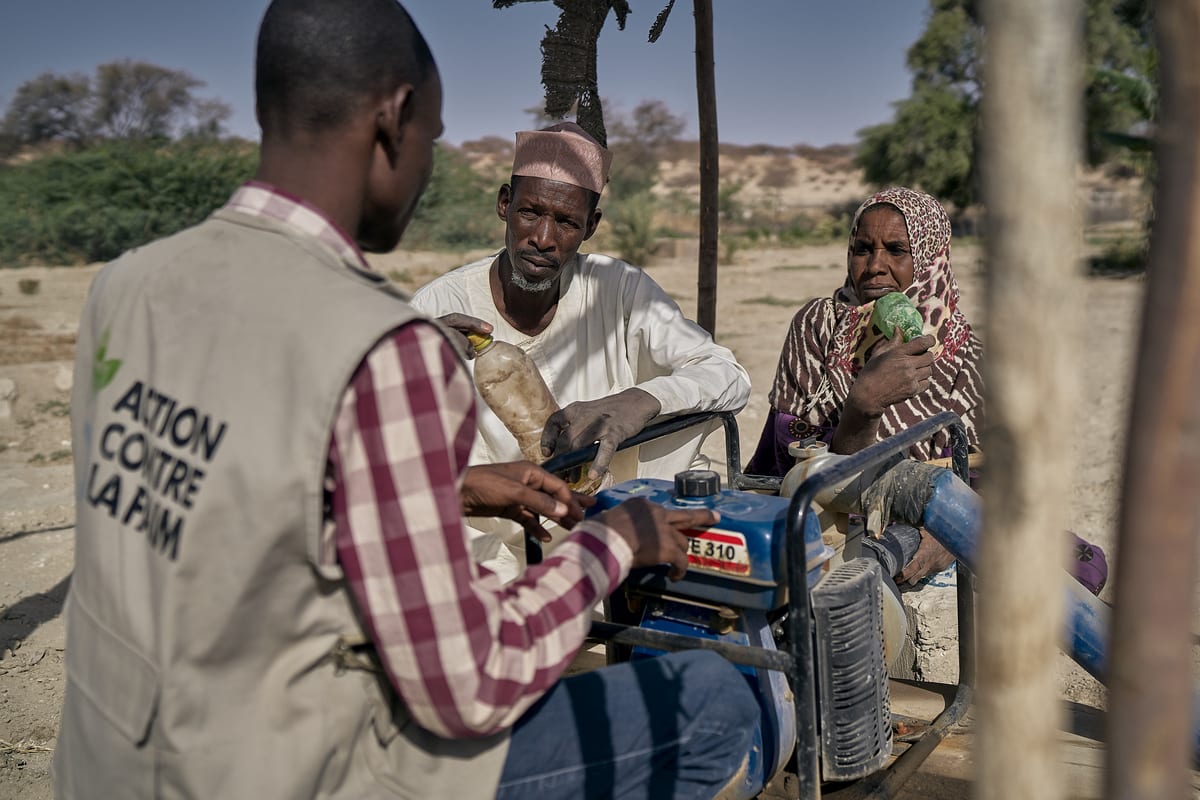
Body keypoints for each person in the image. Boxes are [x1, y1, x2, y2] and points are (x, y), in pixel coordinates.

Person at [52, 2, 757, 799]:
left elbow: (253, 486)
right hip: (290, 769)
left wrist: (458, 484)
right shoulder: (389, 344)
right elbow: (470, 682)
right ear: (395, 119)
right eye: (432, 136)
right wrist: (615, 543)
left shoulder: (127, 285)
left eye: (566, 220)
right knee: (711, 705)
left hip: (109, 760)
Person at [411, 122, 751, 580]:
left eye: (567, 222)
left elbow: (728, 376)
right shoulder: (439, 306)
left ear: (591, 226)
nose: (544, 238)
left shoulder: (619, 289)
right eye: (530, 212)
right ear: (504, 204)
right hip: (491, 559)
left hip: (615, 536)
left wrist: (639, 401)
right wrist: (414, 362)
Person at [746, 186, 984, 585]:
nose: (875, 265)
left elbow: (983, 480)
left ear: (931, 259)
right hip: (824, 523)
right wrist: (864, 405)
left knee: (1080, 564)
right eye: (862, 248)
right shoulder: (818, 327)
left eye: (896, 250)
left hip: (922, 530)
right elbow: (798, 472)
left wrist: (948, 537)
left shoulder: (965, 355)